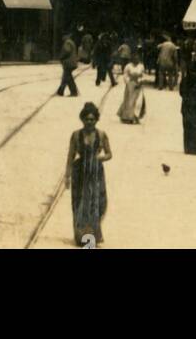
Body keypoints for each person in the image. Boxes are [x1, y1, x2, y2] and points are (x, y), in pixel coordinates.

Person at [65, 103, 111, 247]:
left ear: (96, 120)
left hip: (96, 172)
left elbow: (109, 154)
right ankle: (82, 237)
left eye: (92, 119)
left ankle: (92, 235)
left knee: (97, 203)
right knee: (80, 203)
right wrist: (67, 176)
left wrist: (99, 158)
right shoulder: (76, 135)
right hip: (79, 172)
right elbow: (70, 155)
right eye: (87, 119)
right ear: (82, 119)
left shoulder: (102, 135)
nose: (89, 122)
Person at [180, 63, 196, 155]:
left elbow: (181, 93)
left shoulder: (184, 80)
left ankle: (187, 148)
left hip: (186, 107)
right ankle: (195, 149)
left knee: (187, 128)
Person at [117, 52, 146, 124]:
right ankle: (127, 117)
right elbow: (125, 75)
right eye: (135, 58)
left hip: (138, 84)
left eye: (137, 58)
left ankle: (135, 116)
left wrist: (141, 82)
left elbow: (142, 75)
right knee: (129, 101)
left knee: (137, 101)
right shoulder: (128, 66)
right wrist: (127, 82)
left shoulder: (141, 66)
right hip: (130, 84)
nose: (136, 59)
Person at [57, 32, 79, 97]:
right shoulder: (71, 42)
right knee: (66, 76)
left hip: (69, 63)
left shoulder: (67, 42)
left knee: (68, 77)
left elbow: (67, 51)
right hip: (71, 62)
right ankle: (61, 91)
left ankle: (73, 91)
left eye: (64, 36)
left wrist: (61, 57)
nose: (62, 38)